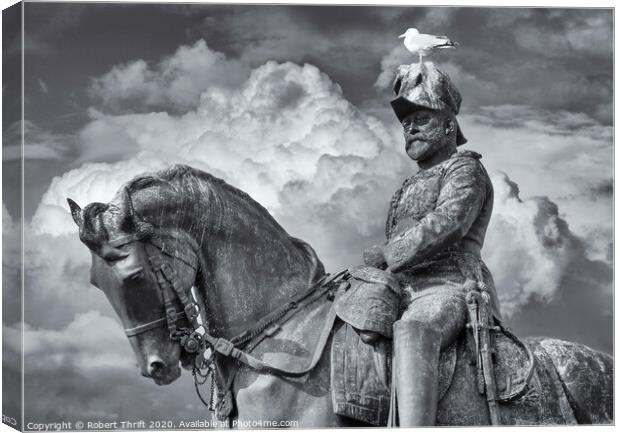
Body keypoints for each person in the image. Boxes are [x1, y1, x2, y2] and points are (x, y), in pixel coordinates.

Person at [363, 62, 502, 426]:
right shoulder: (407, 187)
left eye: (420, 118)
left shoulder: (464, 169)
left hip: (451, 287)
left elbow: (449, 223)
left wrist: (388, 254)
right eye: (405, 122)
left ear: (448, 124)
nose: (409, 127)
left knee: (414, 331)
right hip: (401, 289)